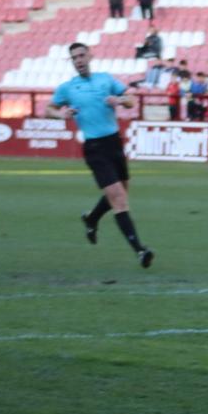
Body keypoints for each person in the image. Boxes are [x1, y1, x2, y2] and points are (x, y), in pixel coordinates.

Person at [46, 43, 153, 268]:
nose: (79, 60)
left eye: (82, 55)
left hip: (114, 143)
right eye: (74, 58)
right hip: (94, 148)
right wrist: (60, 113)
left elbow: (131, 99)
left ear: (90, 55)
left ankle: (92, 218)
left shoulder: (105, 79)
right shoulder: (67, 88)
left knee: (121, 192)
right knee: (120, 199)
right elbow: (49, 108)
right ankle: (140, 251)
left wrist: (120, 100)